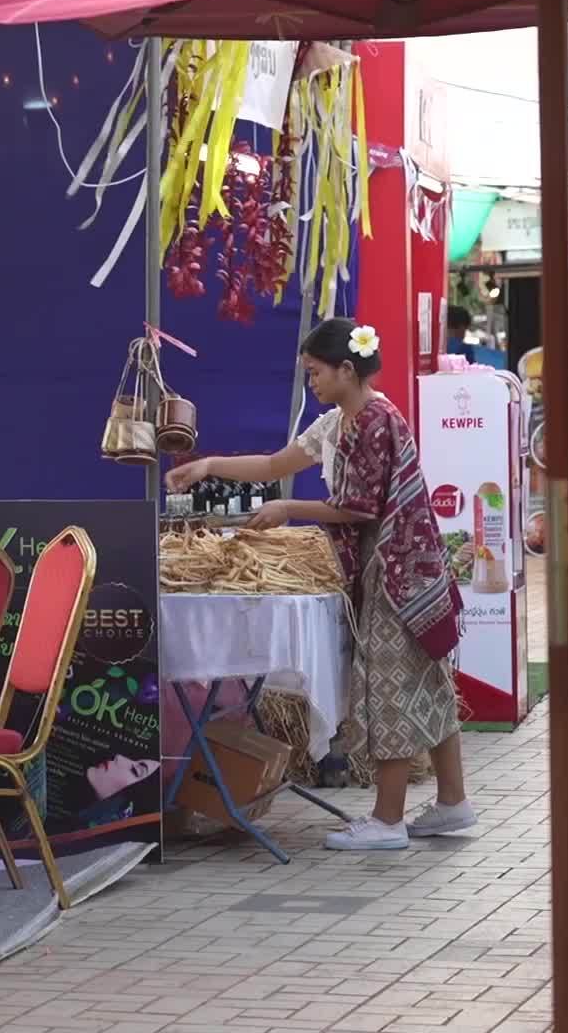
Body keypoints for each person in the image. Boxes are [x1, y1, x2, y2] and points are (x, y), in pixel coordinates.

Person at [166, 318, 475, 851]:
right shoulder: (340, 422)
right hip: (404, 567)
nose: (311, 384)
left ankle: (387, 820)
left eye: (315, 373)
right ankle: (452, 802)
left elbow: (357, 510)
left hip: (394, 572)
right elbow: (273, 463)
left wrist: (287, 507)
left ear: (346, 369)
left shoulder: (373, 421)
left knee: (391, 688)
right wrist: (209, 464)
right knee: (428, 684)